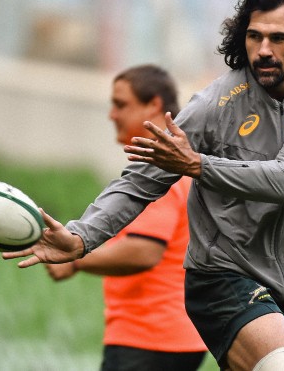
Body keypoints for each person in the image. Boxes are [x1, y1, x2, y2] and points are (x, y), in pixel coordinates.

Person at [4, 0, 284, 371]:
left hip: (282, 294)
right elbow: (141, 180)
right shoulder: (216, 103)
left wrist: (197, 165)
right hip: (220, 278)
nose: (263, 51)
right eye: (254, 37)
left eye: (279, 39)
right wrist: (81, 237)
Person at [44, 65, 207, 371]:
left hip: (149, 338)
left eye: (121, 104)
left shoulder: (160, 169)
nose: (112, 115)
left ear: (154, 105)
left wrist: (75, 260)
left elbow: (145, 250)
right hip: (171, 337)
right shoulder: (174, 162)